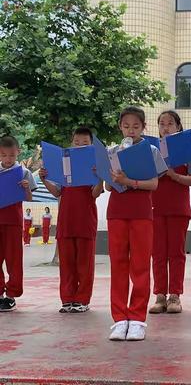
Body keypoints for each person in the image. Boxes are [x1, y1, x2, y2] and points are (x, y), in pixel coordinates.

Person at [106, 106, 165, 341]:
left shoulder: (151, 150)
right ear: (120, 126)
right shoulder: (113, 151)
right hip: (116, 212)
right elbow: (110, 186)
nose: (130, 131)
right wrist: (113, 178)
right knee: (118, 265)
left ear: (143, 127)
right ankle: (119, 319)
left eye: (136, 126)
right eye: (126, 126)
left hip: (141, 213)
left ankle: (138, 319)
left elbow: (154, 184)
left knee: (140, 266)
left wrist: (129, 181)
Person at [40, 127, 104, 313]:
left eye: (85, 143)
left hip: (85, 222)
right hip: (66, 223)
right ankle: (67, 299)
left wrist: (100, 178)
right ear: (71, 143)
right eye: (76, 143)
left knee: (84, 265)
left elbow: (95, 194)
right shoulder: (63, 167)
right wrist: (45, 180)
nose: (80, 146)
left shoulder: (94, 167)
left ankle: (82, 300)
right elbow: (57, 192)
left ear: (91, 145)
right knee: (66, 264)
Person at [149, 110, 191, 315]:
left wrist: (173, 175)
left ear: (178, 127)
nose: (166, 127)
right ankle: (160, 295)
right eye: (162, 124)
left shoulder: (187, 150)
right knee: (158, 253)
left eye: (170, 123)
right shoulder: (152, 151)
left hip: (179, 209)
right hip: (155, 208)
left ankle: (175, 296)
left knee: (176, 253)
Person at [0, 136, 37, 312]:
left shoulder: (24, 172)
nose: (7, 159)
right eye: (4, 155)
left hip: (14, 222)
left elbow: (29, 198)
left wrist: (26, 187)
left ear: (18, 153)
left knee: (14, 260)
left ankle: (11, 296)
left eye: (11, 155)